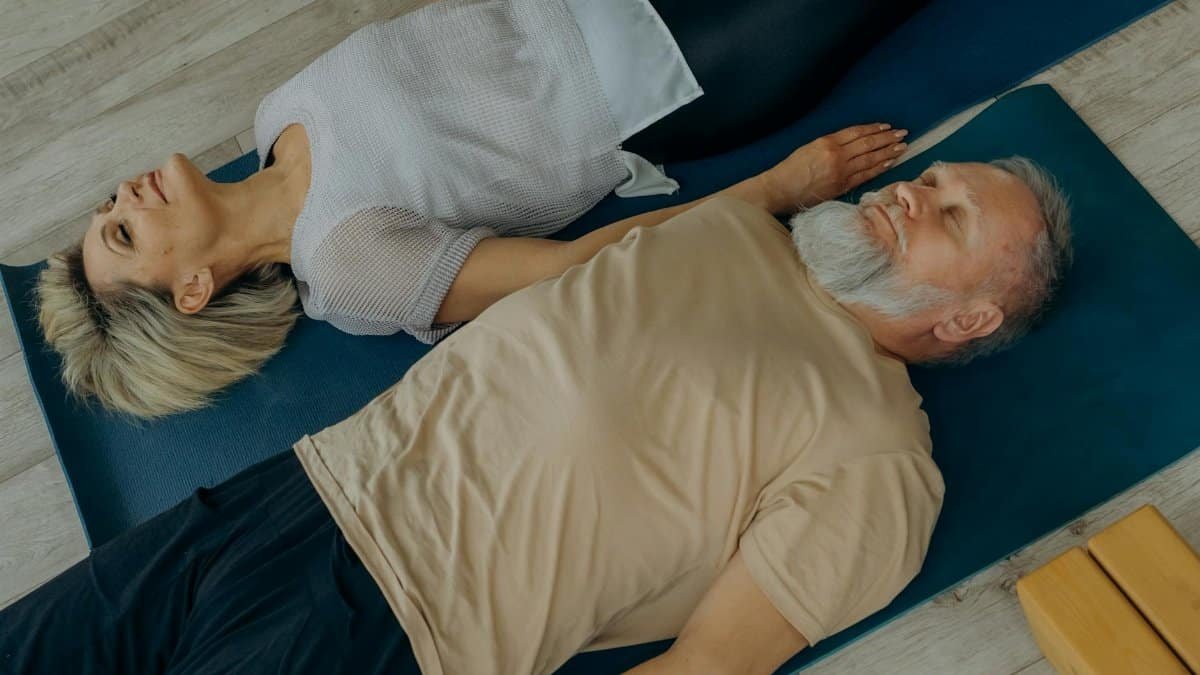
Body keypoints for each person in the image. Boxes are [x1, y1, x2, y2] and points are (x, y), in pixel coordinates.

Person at [1, 157, 1072, 674]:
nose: (914, 193)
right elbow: (568, 269)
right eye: (933, 177)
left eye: (951, 214)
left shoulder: (881, 460)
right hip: (296, 491)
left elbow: (705, 670)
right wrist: (785, 181)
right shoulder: (744, 232)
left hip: (396, 631)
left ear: (971, 315)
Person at [34, 0, 926, 418]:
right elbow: (582, 271)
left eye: (106, 205)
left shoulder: (277, 113)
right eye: (123, 231)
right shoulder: (348, 267)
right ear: (190, 289)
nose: (126, 195)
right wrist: (778, 188)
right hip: (673, 73)